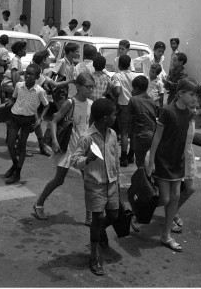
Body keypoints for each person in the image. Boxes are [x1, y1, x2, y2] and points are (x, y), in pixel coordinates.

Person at [33, 72, 94, 223]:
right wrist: (54, 140)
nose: (90, 90)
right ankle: (39, 204)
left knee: (89, 182)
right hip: (68, 148)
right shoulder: (70, 103)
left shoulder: (91, 104)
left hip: (83, 150)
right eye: (87, 87)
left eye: (92, 87)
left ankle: (89, 215)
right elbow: (53, 121)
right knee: (58, 180)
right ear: (78, 87)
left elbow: (89, 127)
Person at [146, 78, 197, 252]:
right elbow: (157, 137)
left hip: (178, 160)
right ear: (180, 93)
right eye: (191, 94)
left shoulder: (189, 113)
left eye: (194, 94)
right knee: (166, 198)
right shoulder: (167, 111)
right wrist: (151, 160)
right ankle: (141, 214)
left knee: (175, 197)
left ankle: (166, 235)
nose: (193, 97)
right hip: (163, 160)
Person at [71, 98, 119, 276]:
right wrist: (88, 159)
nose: (116, 116)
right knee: (97, 219)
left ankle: (100, 231)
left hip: (112, 183)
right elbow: (74, 160)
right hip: (95, 185)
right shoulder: (86, 137)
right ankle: (94, 255)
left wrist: (118, 181)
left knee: (114, 216)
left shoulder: (113, 134)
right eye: (114, 114)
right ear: (105, 117)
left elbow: (115, 160)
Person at [4, 63, 49, 184]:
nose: (28, 76)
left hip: (28, 120)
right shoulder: (19, 85)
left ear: (37, 77)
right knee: (10, 144)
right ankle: (14, 164)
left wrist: (41, 118)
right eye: (27, 73)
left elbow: (46, 105)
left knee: (22, 145)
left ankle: (17, 173)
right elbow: (14, 98)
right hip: (15, 117)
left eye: (31, 74)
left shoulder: (40, 91)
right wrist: (8, 103)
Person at [172, 79, 200, 234]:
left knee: (189, 189)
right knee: (171, 193)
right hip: (175, 157)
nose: (195, 110)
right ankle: (169, 219)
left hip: (187, 155)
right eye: (192, 107)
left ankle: (173, 212)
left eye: (196, 108)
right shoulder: (176, 114)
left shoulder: (190, 118)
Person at [112, 54, 138, 167]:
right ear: (129, 64)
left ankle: (123, 157)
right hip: (135, 105)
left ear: (119, 64)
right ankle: (131, 155)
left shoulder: (117, 76)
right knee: (133, 133)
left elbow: (117, 91)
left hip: (124, 106)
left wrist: (113, 94)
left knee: (124, 133)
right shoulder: (135, 76)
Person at [128, 75, 157, 168]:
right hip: (154, 135)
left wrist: (130, 133)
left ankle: (143, 181)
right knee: (151, 162)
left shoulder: (133, 100)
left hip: (141, 135)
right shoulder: (152, 101)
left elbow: (130, 119)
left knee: (140, 163)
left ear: (136, 89)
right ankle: (150, 180)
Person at [45, 42, 79, 108]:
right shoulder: (62, 61)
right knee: (62, 110)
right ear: (71, 52)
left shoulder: (73, 63)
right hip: (60, 90)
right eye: (76, 51)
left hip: (68, 90)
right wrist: (46, 84)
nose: (78, 53)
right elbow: (52, 72)